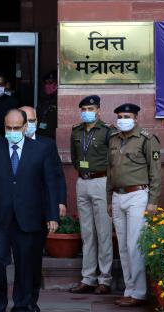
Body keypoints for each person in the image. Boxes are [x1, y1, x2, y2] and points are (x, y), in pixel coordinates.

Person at [0, 109, 59, 312]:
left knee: (25, 267)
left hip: (28, 218)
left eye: (15, 128)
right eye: (7, 128)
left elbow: (50, 185)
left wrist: (52, 215)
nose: (11, 132)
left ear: (24, 128)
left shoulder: (41, 150)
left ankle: (21, 311)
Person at [107, 103, 161, 307]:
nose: (122, 119)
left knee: (134, 245)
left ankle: (138, 292)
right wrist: (109, 198)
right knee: (122, 246)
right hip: (118, 196)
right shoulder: (113, 138)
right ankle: (129, 289)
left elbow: (155, 173)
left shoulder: (147, 139)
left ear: (136, 118)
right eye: (120, 116)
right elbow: (109, 171)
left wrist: (153, 201)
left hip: (138, 195)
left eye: (127, 115)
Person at [20, 105, 67, 312]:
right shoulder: (7, 144)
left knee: (33, 258)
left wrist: (59, 203)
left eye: (32, 120)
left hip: (37, 210)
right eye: (25, 120)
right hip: (13, 212)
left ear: (37, 121)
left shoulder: (46, 145)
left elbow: (56, 177)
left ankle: (31, 298)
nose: (29, 124)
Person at [69, 95, 113, 295]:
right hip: (82, 181)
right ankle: (88, 278)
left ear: (98, 111)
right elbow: (74, 157)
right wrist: (81, 169)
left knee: (103, 232)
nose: (87, 112)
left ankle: (105, 279)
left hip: (101, 181)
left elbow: (113, 159)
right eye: (84, 109)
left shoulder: (107, 131)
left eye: (91, 109)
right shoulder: (76, 131)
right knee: (87, 233)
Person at [36, 70, 58, 139]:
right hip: (41, 134)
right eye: (45, 83)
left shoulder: (59, 99)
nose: (47, 85)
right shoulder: (43, 99)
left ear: (57, 84)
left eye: (50, 83)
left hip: (53, 136)